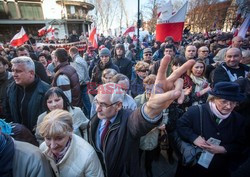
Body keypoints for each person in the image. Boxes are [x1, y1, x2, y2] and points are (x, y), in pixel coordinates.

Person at [87, 55, 195, 177]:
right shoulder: (94, 120)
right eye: (96, 102)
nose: (97, 108)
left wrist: (152, 109)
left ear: (118, 106)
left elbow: (137, 120)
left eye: (103, 105)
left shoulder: (127, 119)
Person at [176, 82, 247, 177]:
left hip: (218, 169)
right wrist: (194, 138)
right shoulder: (195, 111)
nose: (229, 106)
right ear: (214, 99)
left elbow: (241, 145)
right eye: (224, 101)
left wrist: (223, 149)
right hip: (192, 166)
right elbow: (180, 125)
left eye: (233, 102)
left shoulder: (239, 120)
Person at [38, 109, 104, 177]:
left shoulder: (87, 155)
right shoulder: (43, 148)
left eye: (59, 138)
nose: (52, 146)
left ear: (71, 131)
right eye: (48, 138)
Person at [5, 56, 50, 132]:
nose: (14, 74)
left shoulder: (46, 91)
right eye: (13, 70)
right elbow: (7, 112)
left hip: (39, 138)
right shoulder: (11, 88)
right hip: (18, 136)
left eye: (18, 71)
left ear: (31, 73)